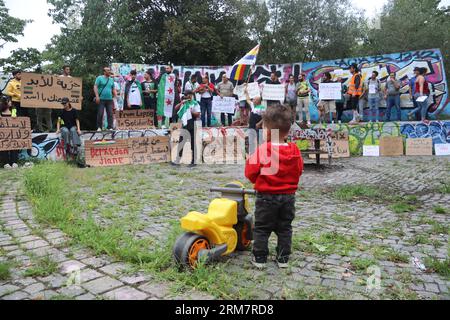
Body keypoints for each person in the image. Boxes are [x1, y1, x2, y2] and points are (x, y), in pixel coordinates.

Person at [245, 103, 304, 269]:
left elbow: (250, 172)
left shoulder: (263, 149)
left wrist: (258, 181)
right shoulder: (295, 150)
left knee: (262, 228)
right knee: (285, 228)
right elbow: (299, 170)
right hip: (288, 197)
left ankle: (260, 258)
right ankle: (283, 258)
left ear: (268, 131)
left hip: (266, 197)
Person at [172, 90, 201, 167]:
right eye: (185, 94)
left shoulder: (195, 103)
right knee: (181, 142)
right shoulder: (184, 103)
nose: (185, 96)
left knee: (192, 143)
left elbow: (198, 114)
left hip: (192, 124)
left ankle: (193, 161)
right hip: (184, 125)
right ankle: (177, 160)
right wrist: (182, 103)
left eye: (187, 94)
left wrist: (191, 112)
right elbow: (175, 108)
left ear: (191, 95)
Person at [94, 67, 116, 131]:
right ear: (104, 72)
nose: (109, 71)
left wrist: (115, 95)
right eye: (108, 70)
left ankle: (110, 127)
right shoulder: (99, 78)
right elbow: (95, 86)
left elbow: (113, 88)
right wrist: (97, 96)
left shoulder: (111, 79)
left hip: (109, 99)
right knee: (100, 113)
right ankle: (99, 127)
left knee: (110, 113)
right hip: (101, 99)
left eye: (109, 70)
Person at [0, 96, 19, 169]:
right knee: (4, 147)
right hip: (3, 134)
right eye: (9, 101)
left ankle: (14, 162)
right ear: (5, 102)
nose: (11, 102)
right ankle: (6, 163)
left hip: (13, 133)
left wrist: (14, 114)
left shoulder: (13, 110)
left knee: (14, 146)